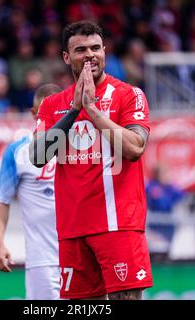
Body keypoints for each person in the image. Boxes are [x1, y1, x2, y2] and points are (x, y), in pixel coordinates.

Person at [29, 21, 153, 300]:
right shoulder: (52, 106)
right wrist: (74, 110)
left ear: (105, 51)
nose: (90, 55)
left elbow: (135, 148)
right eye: (80, 49)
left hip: (118, 224)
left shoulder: (128, 95)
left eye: (96, 48)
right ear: (66, 57)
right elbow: (37, 157)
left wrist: (93, 111)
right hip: (72, 229)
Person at [0, 83, 62, 300]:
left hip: (82, 255)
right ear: (33, 113)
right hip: (43, 260)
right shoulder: (18, 152)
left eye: (55, 111)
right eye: (43, 112)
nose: (49, 117)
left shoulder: (82, 146)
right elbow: (1, 199)